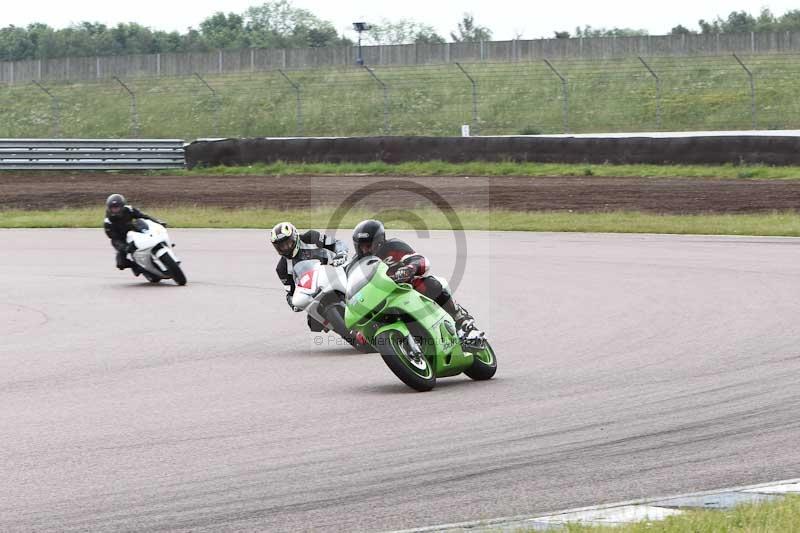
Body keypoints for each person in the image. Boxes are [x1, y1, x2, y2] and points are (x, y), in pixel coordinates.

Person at [351, 219, 484, 344]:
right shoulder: (355, 264)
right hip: (380, 297)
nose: (365, 250)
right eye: (361, 247)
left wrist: (410, 268)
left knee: (430, 284)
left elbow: (419, 259)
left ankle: (462, 320)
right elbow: (351, 288)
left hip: (406, 287)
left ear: (379, 241)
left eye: (368, 246)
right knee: (361, 338)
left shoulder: (394, 246)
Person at [270, 222, 349, 313]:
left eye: (288, 243)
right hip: (315, 295)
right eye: (281, 246)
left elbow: (336, 243)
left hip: (335, 273)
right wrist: (294, 304)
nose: (286, 248)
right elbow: (291, 293)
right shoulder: (282, 268)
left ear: (294, 237)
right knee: (312, 319)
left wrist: (341, 253)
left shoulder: (311, 237)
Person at [104, 194, 167, 276]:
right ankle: (136, 266)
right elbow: (114, 238)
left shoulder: (129, 209)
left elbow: (143, 216)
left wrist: (158, 222)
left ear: (122, 206)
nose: (115, 210)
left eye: (117, 207)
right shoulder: (108, 222)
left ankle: (163, 245)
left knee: (149, 230)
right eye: (113, 208)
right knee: (120, 263)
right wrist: (124, 247)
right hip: (121, 239)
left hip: (134, 231)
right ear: (109, 208)